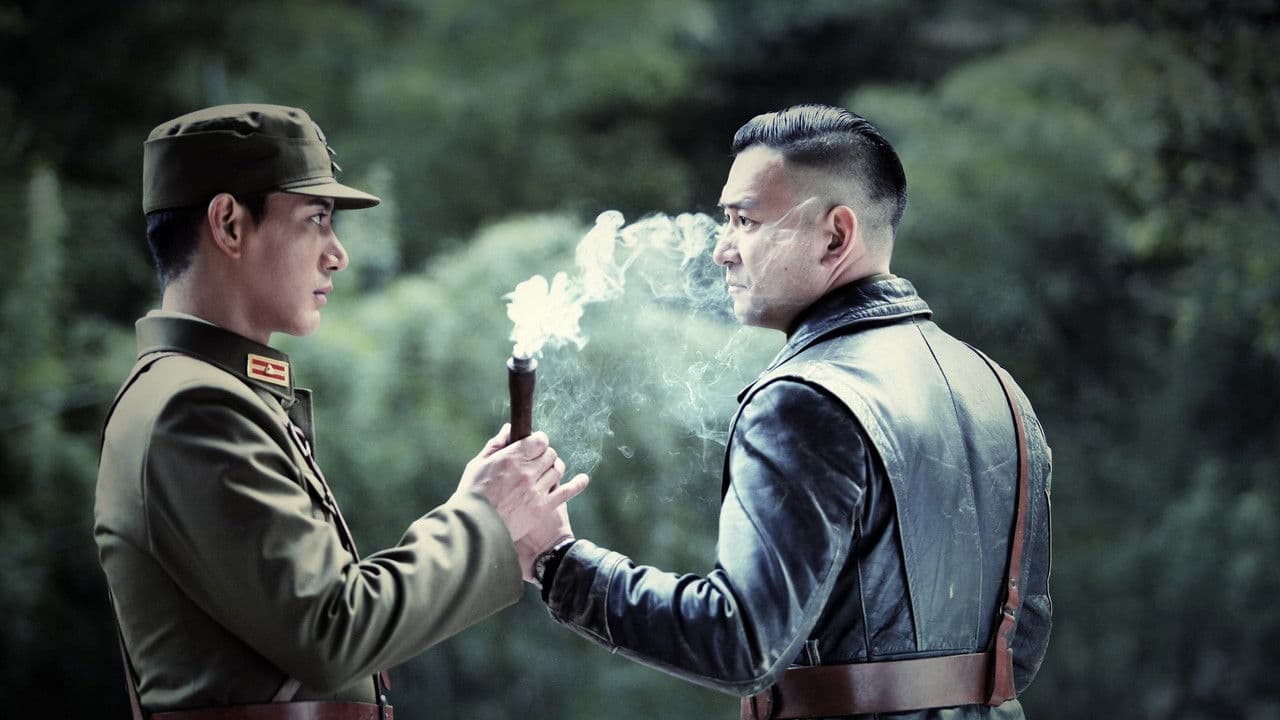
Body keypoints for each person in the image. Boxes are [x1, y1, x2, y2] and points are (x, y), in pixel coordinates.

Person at [518, 104, 1053, 719]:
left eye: (745, 221)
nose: (722, 251)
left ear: (836, 235)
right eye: (725, 221)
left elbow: (740, 642)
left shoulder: (804, 398)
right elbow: (1023, 648)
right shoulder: (1001, 392)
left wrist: (557, 561)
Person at [95, 103, 588, 720]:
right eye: (316, 219)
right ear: (229, 224)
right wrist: (483, 519)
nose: (337, 254)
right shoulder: (192, 408)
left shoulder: (205, 394)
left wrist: (484, 519)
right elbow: (333, 631)